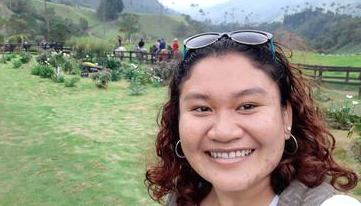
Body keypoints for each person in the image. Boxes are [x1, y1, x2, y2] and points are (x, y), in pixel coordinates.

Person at [145, 30, 359, 206]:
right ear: (177, 120)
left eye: (248, 106)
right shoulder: (182, 197)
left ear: (286, 117)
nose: (224, 132)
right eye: (202, 108)